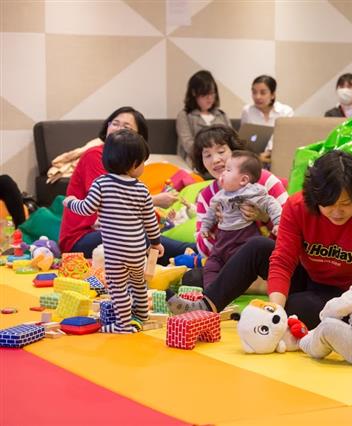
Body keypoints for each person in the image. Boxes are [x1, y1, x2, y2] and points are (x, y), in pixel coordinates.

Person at [166, 150, 352, 329]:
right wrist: (275, 307)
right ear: (315, 197)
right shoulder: (299, 206)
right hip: (307, 277)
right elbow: (283, 259)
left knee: (299, 306)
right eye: (329, 205)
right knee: (258, 247)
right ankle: (207, 306)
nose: (337, 212)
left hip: (346, 294)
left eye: (346, 204)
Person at [58, 106, 192, 264]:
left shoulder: (130, 168)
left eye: (126, 127)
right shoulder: (95, 155)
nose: (118, 129)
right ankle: (193, 251)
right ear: (107, 126)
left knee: (139, 236)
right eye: (115, 123)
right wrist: (154, 200)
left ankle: (186, 257)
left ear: (138, 137)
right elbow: (109, 201)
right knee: (133, 237)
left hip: (107, 233)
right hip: (80, 238)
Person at [63, 130, 164, 333]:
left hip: (116, 254)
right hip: (137, 251)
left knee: (118, 289)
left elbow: (86, 209)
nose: (144, 167)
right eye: (143, 162)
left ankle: (123, 325)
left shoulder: (101, 184)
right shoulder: (142, 189)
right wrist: (155, 243)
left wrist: (70, 201)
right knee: (138, 285)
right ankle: (141, 316)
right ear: (133, 163)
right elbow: (150, 220)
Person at [191, 125, 288, 260]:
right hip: (229, 264)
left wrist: (264, 218)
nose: (215, 160)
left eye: (221, 151)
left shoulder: (266, 181)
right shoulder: (207, 196)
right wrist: (216, 226)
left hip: (270, 261)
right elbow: (203, 251)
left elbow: (292, 230)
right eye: (207, 155)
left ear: (235, 152)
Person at [200, 150, 282, 287]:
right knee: (211, 265)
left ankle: (230, 289)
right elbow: (210, 212)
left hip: (242, 240)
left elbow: (271, 203)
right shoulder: (219, 195)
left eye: (228, 170)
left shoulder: (252, 191)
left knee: (238, 268)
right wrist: (205, 227)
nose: (223, 173)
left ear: (243, 180)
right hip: (222, 242)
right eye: (207, 155)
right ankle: (210, 295)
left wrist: (278, 222)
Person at [176, 70, 230, 163]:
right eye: (205, 94)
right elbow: (188, 145)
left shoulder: (221, 115)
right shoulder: (185, 115)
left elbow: (231, 139)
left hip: (223, 161)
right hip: (196, 162)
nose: (209, 98)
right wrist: (210, 154)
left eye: (212, 93)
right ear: (194, 93)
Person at [240, 75, 294, 163]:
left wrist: (270, 152)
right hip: (254, 158)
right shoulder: (247, 111)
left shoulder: (286, 112)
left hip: (279, 157)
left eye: (263, 93)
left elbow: (287, 140)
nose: (257, 97)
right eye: (254, 92)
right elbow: (244, 140)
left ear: (272, 95)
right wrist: (257, 156)